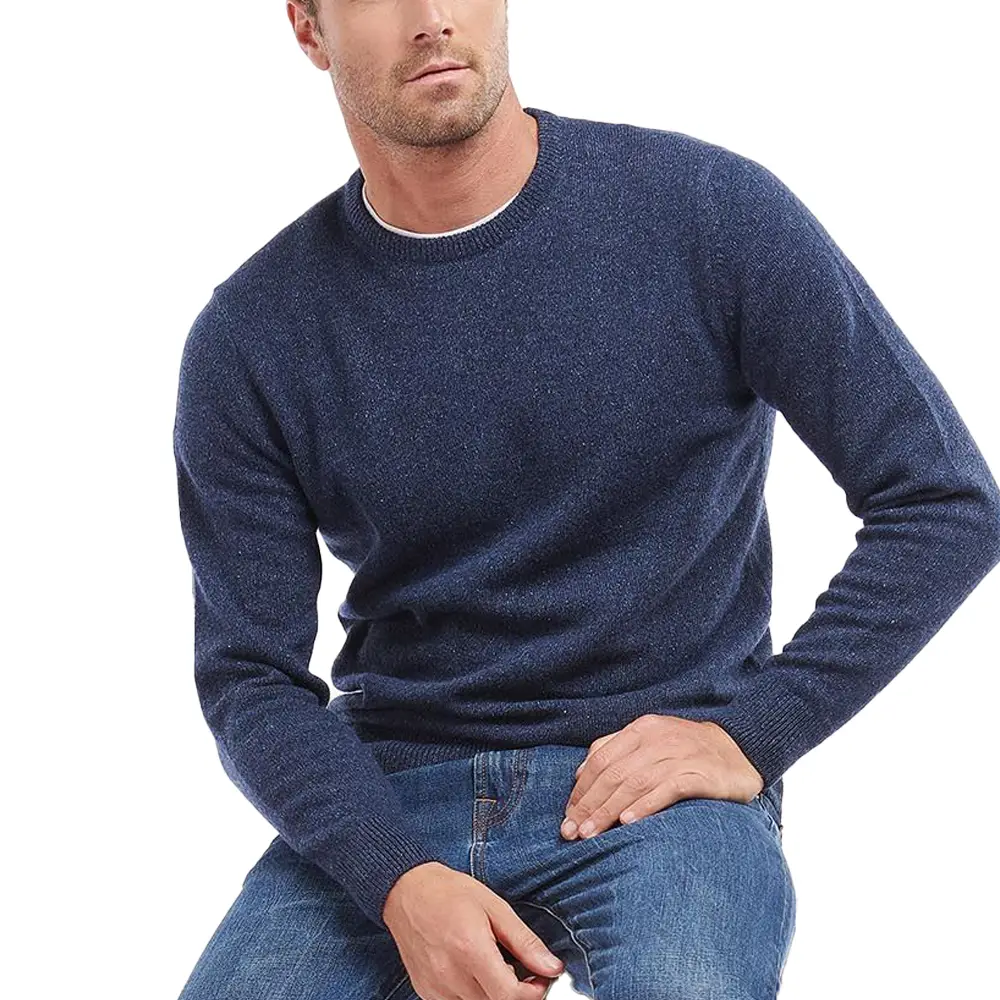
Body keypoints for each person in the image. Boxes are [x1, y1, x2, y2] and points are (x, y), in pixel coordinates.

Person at [170, 2, 1000, 998]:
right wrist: (395, 878)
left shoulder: (705, 212)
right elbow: (248, 675)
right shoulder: (253, 334)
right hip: (390, 799)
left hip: (653, 794)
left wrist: (754, 733)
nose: (431, 20)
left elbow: (943, 499)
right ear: (309, 28)